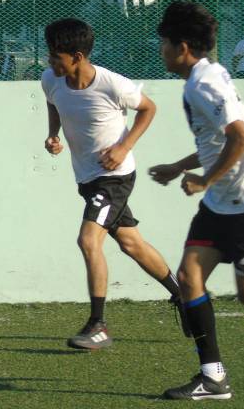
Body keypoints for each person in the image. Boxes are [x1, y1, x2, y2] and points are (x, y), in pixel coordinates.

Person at [153, 1, 244, 400]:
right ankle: (213, 377)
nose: (160, 50)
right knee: (188, 279)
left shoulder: (204, 83)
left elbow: (242, 136)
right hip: (220, 201)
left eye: (164, 43)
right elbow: (219, 138)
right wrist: (178, 167)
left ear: (183, 47)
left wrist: (202, 180)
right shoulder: (204, 75)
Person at [41, 18, 186, 350]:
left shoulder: (113, 85)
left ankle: (99, 325)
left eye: (56, 56)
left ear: (77, 56)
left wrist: (123, 147)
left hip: (115, 178)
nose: (50, 62)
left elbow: (148, 109)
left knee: (88, 240)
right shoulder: (51, 80)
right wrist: (53, 134)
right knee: (132, 244)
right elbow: (53, 103)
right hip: (88, 178)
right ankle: (184, 298)